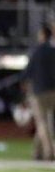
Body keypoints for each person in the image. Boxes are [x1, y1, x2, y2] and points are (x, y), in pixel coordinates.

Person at [23, 24, 55, 161]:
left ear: (42, 35)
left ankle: (49, 152)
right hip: (53, 91)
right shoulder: (53, 51)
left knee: (42, 123)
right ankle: (37, 153)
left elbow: (27, 73)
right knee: (47, 121)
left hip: (39, 92)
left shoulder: (36, 51)